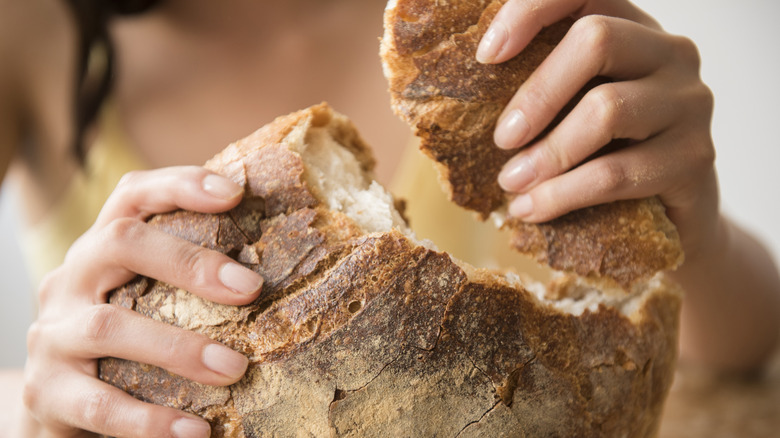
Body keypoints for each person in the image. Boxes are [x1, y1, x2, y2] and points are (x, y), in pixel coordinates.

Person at [0, 0, 777, 437]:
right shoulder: (32, 28)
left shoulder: (490, 22)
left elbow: (739, 358)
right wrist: (43, 408)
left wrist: (691, 227)